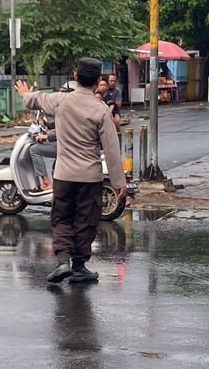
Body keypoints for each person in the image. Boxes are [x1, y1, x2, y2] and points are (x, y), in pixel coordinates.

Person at [15, 58, 127, 284]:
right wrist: (118, 183)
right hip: (89, 177)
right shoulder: (101, 110)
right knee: (86, 221)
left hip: (64, 175)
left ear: (75, 77)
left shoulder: (60, 101)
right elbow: (112, 150)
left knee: (62, 218)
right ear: (98, 82)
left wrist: (25, 94)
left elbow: (36, 100)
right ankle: (78, 267)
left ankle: (63, 261)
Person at [28, 81, 75, 192]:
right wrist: (47, 126)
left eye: (65, 94)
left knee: (34, 150)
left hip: (67, 146)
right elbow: (60, 125)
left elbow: (64, 131)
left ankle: (46, 183)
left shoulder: (70, 110)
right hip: (70, 145)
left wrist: (47, 137)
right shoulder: (72, 109)